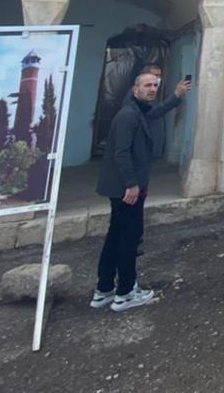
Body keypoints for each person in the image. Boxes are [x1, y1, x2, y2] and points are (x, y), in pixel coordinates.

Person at [92, 69, 191, 311]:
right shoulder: (128, 115)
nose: (152, 89)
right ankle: (125, 292)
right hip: (126, 188)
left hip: (124, 186)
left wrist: (176, 96)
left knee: (116, 235)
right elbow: (121, 152)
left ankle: (104, 289)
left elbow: (156, 112)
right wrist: (131, 184)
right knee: (129, 238)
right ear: (135, 89)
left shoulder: (138, 109)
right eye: (147, 85)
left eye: (155, 85)